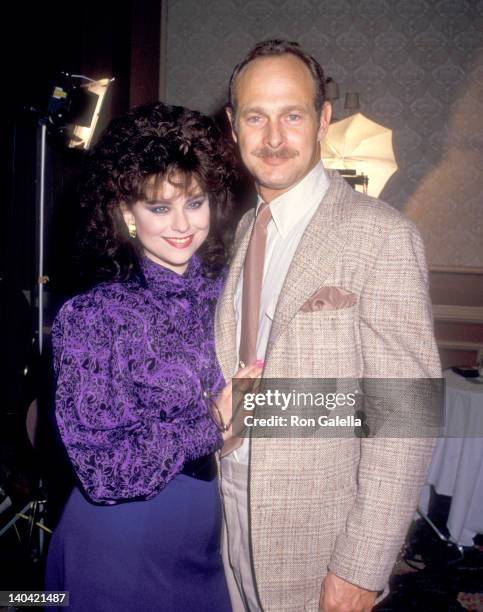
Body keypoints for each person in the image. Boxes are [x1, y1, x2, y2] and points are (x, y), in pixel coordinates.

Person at [215, 40, 441, 612]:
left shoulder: (381, 236)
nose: (272, 137)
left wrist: (361, 568)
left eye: (291, 115)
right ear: (232, 125)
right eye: (255, 117)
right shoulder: (243, 230)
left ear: (322, 120)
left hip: (319, 537)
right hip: (229, 511)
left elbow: (405, 417)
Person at [45, 101, 262, 611]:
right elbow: (101, 471)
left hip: (207, 535)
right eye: (159, 208)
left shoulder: (224, 292)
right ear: (127, 214)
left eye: (195, 202)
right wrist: (213, 419)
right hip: (118, 544)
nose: (182, 224)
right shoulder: (94, 315)